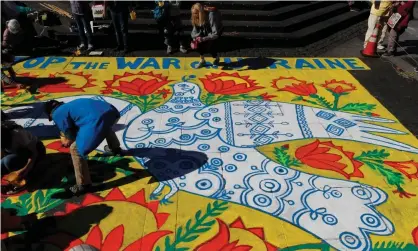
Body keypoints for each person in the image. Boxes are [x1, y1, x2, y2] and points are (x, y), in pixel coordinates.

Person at [44, 99, 123, 196]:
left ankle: (83, 185)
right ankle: (115, 148)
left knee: (75, 149)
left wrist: (67, 140)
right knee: (102, 125)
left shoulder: (57, 114)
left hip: (96, 119)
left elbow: (71, 135)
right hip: (112, 112)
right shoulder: (71, 105)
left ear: (50, 113)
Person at [1, 120, 46, 194]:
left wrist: (25, 170)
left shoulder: (17, 134)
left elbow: (34, 153)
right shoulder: (3, 140)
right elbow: (2, 154)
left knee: (8, 161)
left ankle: (23, 180)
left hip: (36, 152)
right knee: (2, 164)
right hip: (17, 154)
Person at [191, 3, 223, 68]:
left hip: (213, 31)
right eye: (193, 13)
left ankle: (217, 58)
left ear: (200, 12)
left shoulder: (211, 15)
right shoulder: (196, 17)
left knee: (211, 46)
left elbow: (215, 34)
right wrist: (195, 38)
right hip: (205, 30)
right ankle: (202, 60)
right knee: (198, 45)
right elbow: (194, 31)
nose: (194, 15)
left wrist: (203, 39)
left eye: (196, 13)